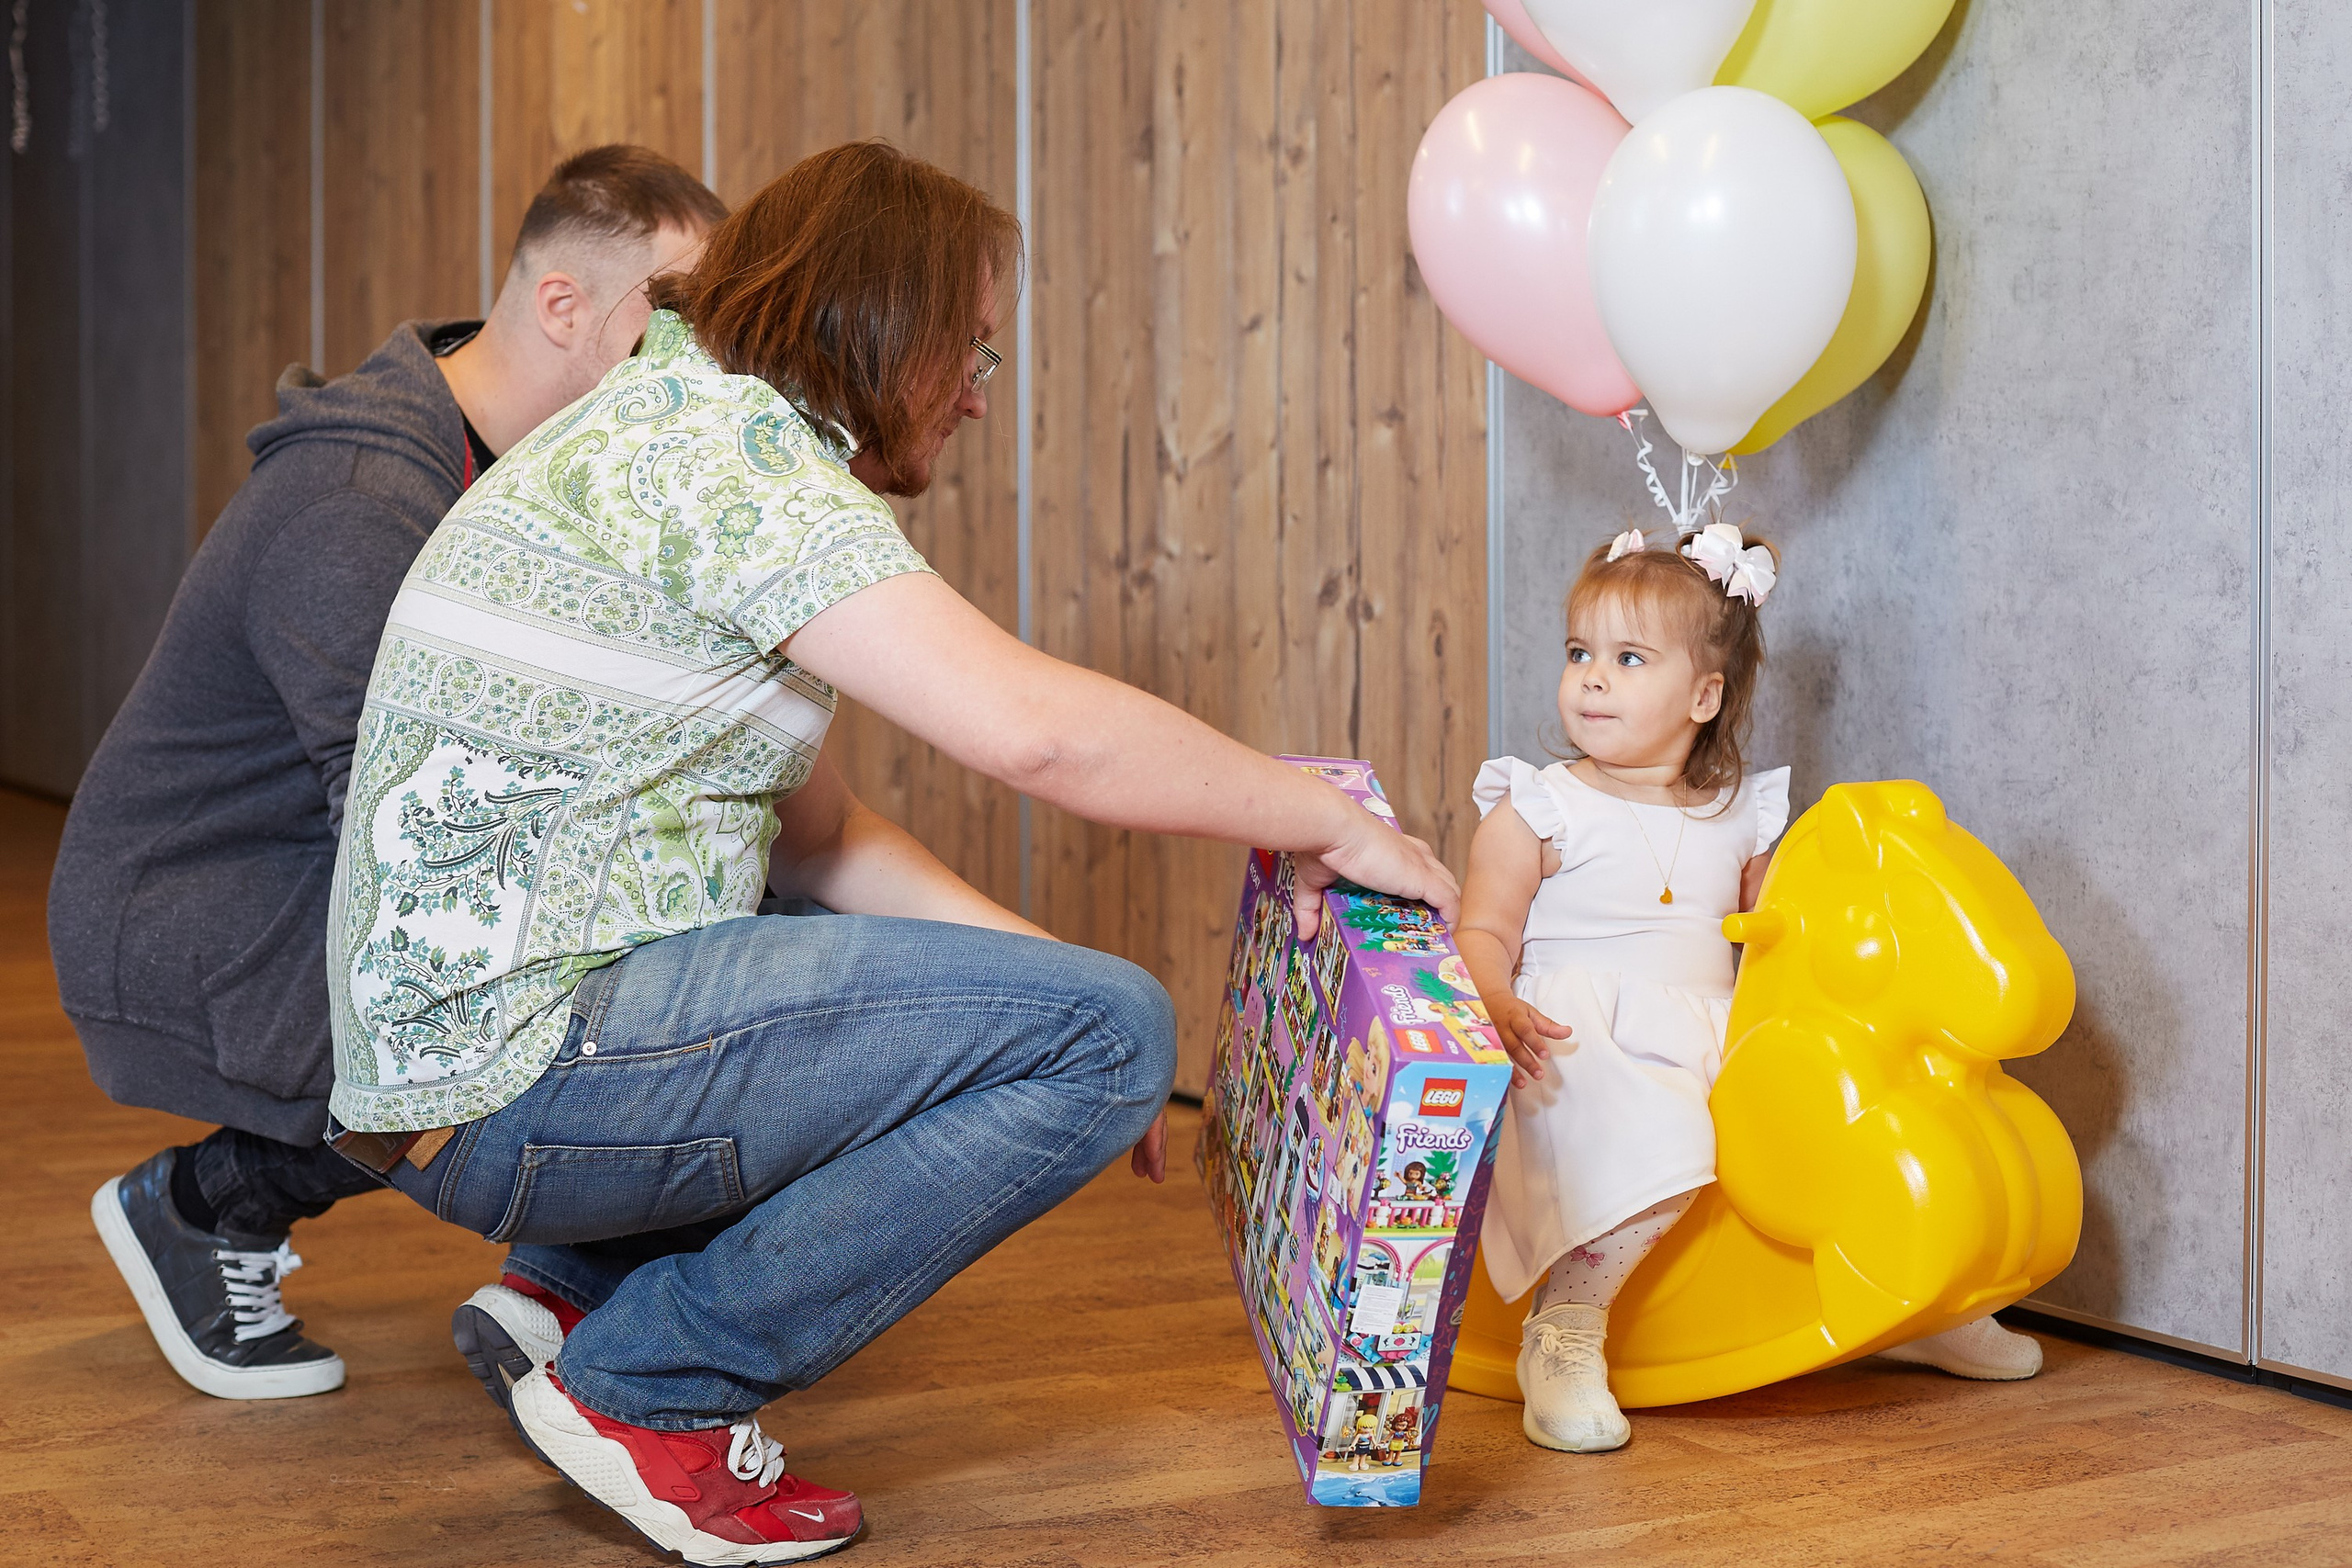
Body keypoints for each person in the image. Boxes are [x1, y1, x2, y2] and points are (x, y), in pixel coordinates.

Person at [322, 140, 1460, 1565]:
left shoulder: (664, 420)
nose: (982, 386)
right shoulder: (738, 459)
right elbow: (1037, 735)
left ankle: (575, 1287)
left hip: (447, 1079)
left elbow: (830, 841)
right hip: (522, 1067)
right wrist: (1326, 818)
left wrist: (1045, 986)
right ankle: (654, 1383)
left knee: (1079, 1014)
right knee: (1116, 1032)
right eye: (970, 346)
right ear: (881, 322)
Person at [51, 145, 725, 1402]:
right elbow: (415, 843)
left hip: (308, 855)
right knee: (514, 988)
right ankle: (205, 1203)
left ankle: (563, 1275)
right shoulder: (360, 496)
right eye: (676, 316)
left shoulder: (540, 472)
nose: (700, 360)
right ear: (566, 306)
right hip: (199, 906)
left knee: (667, 939)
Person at [1456, 524, 2041, 1459]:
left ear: (1703, 694)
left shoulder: (1741, 812)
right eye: (1579, 652)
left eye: (1627, 657)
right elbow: (1482, 928)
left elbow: (1784, 925)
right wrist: (1494, 1001)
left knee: (1834, 1110)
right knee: (1662, 1132)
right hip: (1578, 1040)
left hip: (1707, 1033)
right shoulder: (1538, 805)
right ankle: (1565, 1332)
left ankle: (1906, 1294)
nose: (1591, 677)